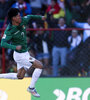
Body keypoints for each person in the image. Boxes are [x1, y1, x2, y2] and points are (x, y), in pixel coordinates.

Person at [0, 8, 45, 97]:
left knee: (20, 76)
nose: (20, 17)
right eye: (17, 16)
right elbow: (2, 43)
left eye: (19, 15)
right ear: (13, 18)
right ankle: (31, 88)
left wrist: (40, 17)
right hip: (20, 55)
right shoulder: (9, 30)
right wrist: (14, 47)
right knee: (40, 65)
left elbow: (30, 16)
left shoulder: (23, 20)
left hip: (24, 53)